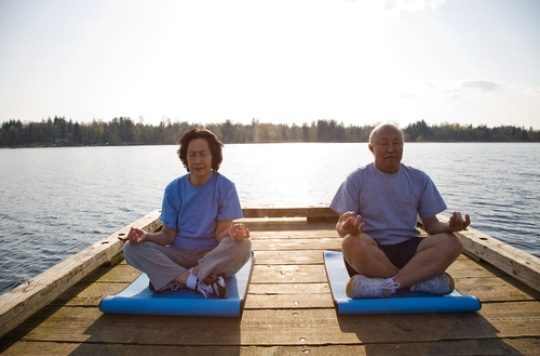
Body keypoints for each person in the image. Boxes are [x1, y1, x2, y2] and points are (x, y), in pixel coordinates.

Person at [330, 123, 470, 298]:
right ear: (372, 148)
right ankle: (417, 281)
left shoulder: (419, 179)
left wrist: (449, 227)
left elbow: (432, 225)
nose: (391, 149)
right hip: (372, 250)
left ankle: (390, 284)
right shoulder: (356, 179)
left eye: (397, 143)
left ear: (403, 147)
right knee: (350, 242)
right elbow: (341, 227)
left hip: (409, 249)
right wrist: (347, 228)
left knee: (453, 243)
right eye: (384, 143)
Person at [120, 128, 251, 298]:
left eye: (203, 154)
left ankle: (177, 278)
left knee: (244, 245)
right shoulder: (173, 189)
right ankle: (195, 282)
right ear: (185, 158)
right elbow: (168, 236)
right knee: (130, 248)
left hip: (212, 255)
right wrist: (148, 236)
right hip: (178, 255)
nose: (197, 160)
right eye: (192, 155)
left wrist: (231, 233)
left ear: (213, 157)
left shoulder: (225, 187)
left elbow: (220, 235)